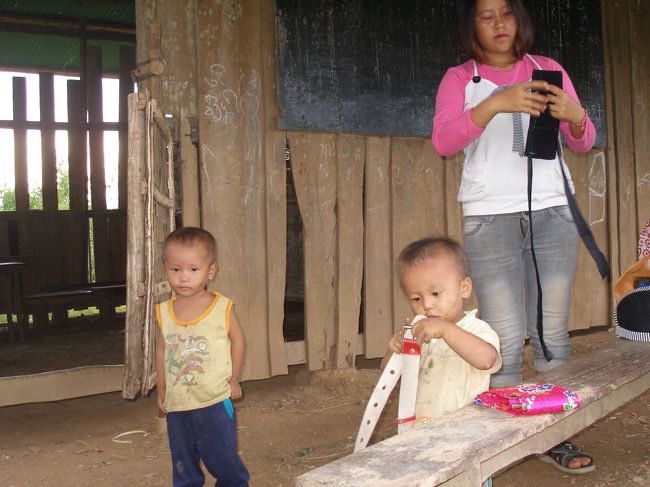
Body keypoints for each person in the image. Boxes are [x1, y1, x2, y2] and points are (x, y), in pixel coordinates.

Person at [431, 0, 595, 475]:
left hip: (553, 212)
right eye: (487, 15)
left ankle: (555, 433)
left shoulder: (547, 68)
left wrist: (575, 114)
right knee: (502, 338)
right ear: (472, 25)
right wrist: (495, 104)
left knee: (551, 334)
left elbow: (583, 140)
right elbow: (443, 142)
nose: (499, 23)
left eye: (506, 12)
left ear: (519, 19)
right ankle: (506, 439)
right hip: (490, 218)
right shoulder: (460, 79)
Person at [155, 226, 249, 487]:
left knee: (224, 459)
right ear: (165, 269)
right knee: (183, 462)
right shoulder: (164, 312)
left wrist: (234, 379)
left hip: (214, 401)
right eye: (176, 269)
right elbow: (162, 350)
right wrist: (162, 389)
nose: (184, 277)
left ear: (210, 271)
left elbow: (238, 341)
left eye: (193, 269)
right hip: (179, 405)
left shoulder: (221, 307)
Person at [382, 236, 501, 423]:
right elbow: (387, 375)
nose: (427, 305)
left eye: (436, 293)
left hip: (465, 430)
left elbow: (486, 360)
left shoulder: (476, 329)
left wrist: (446, 329)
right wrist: (395, 350)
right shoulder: (418, 333)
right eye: (416, 298)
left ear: (464, 288)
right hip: (420, 428)